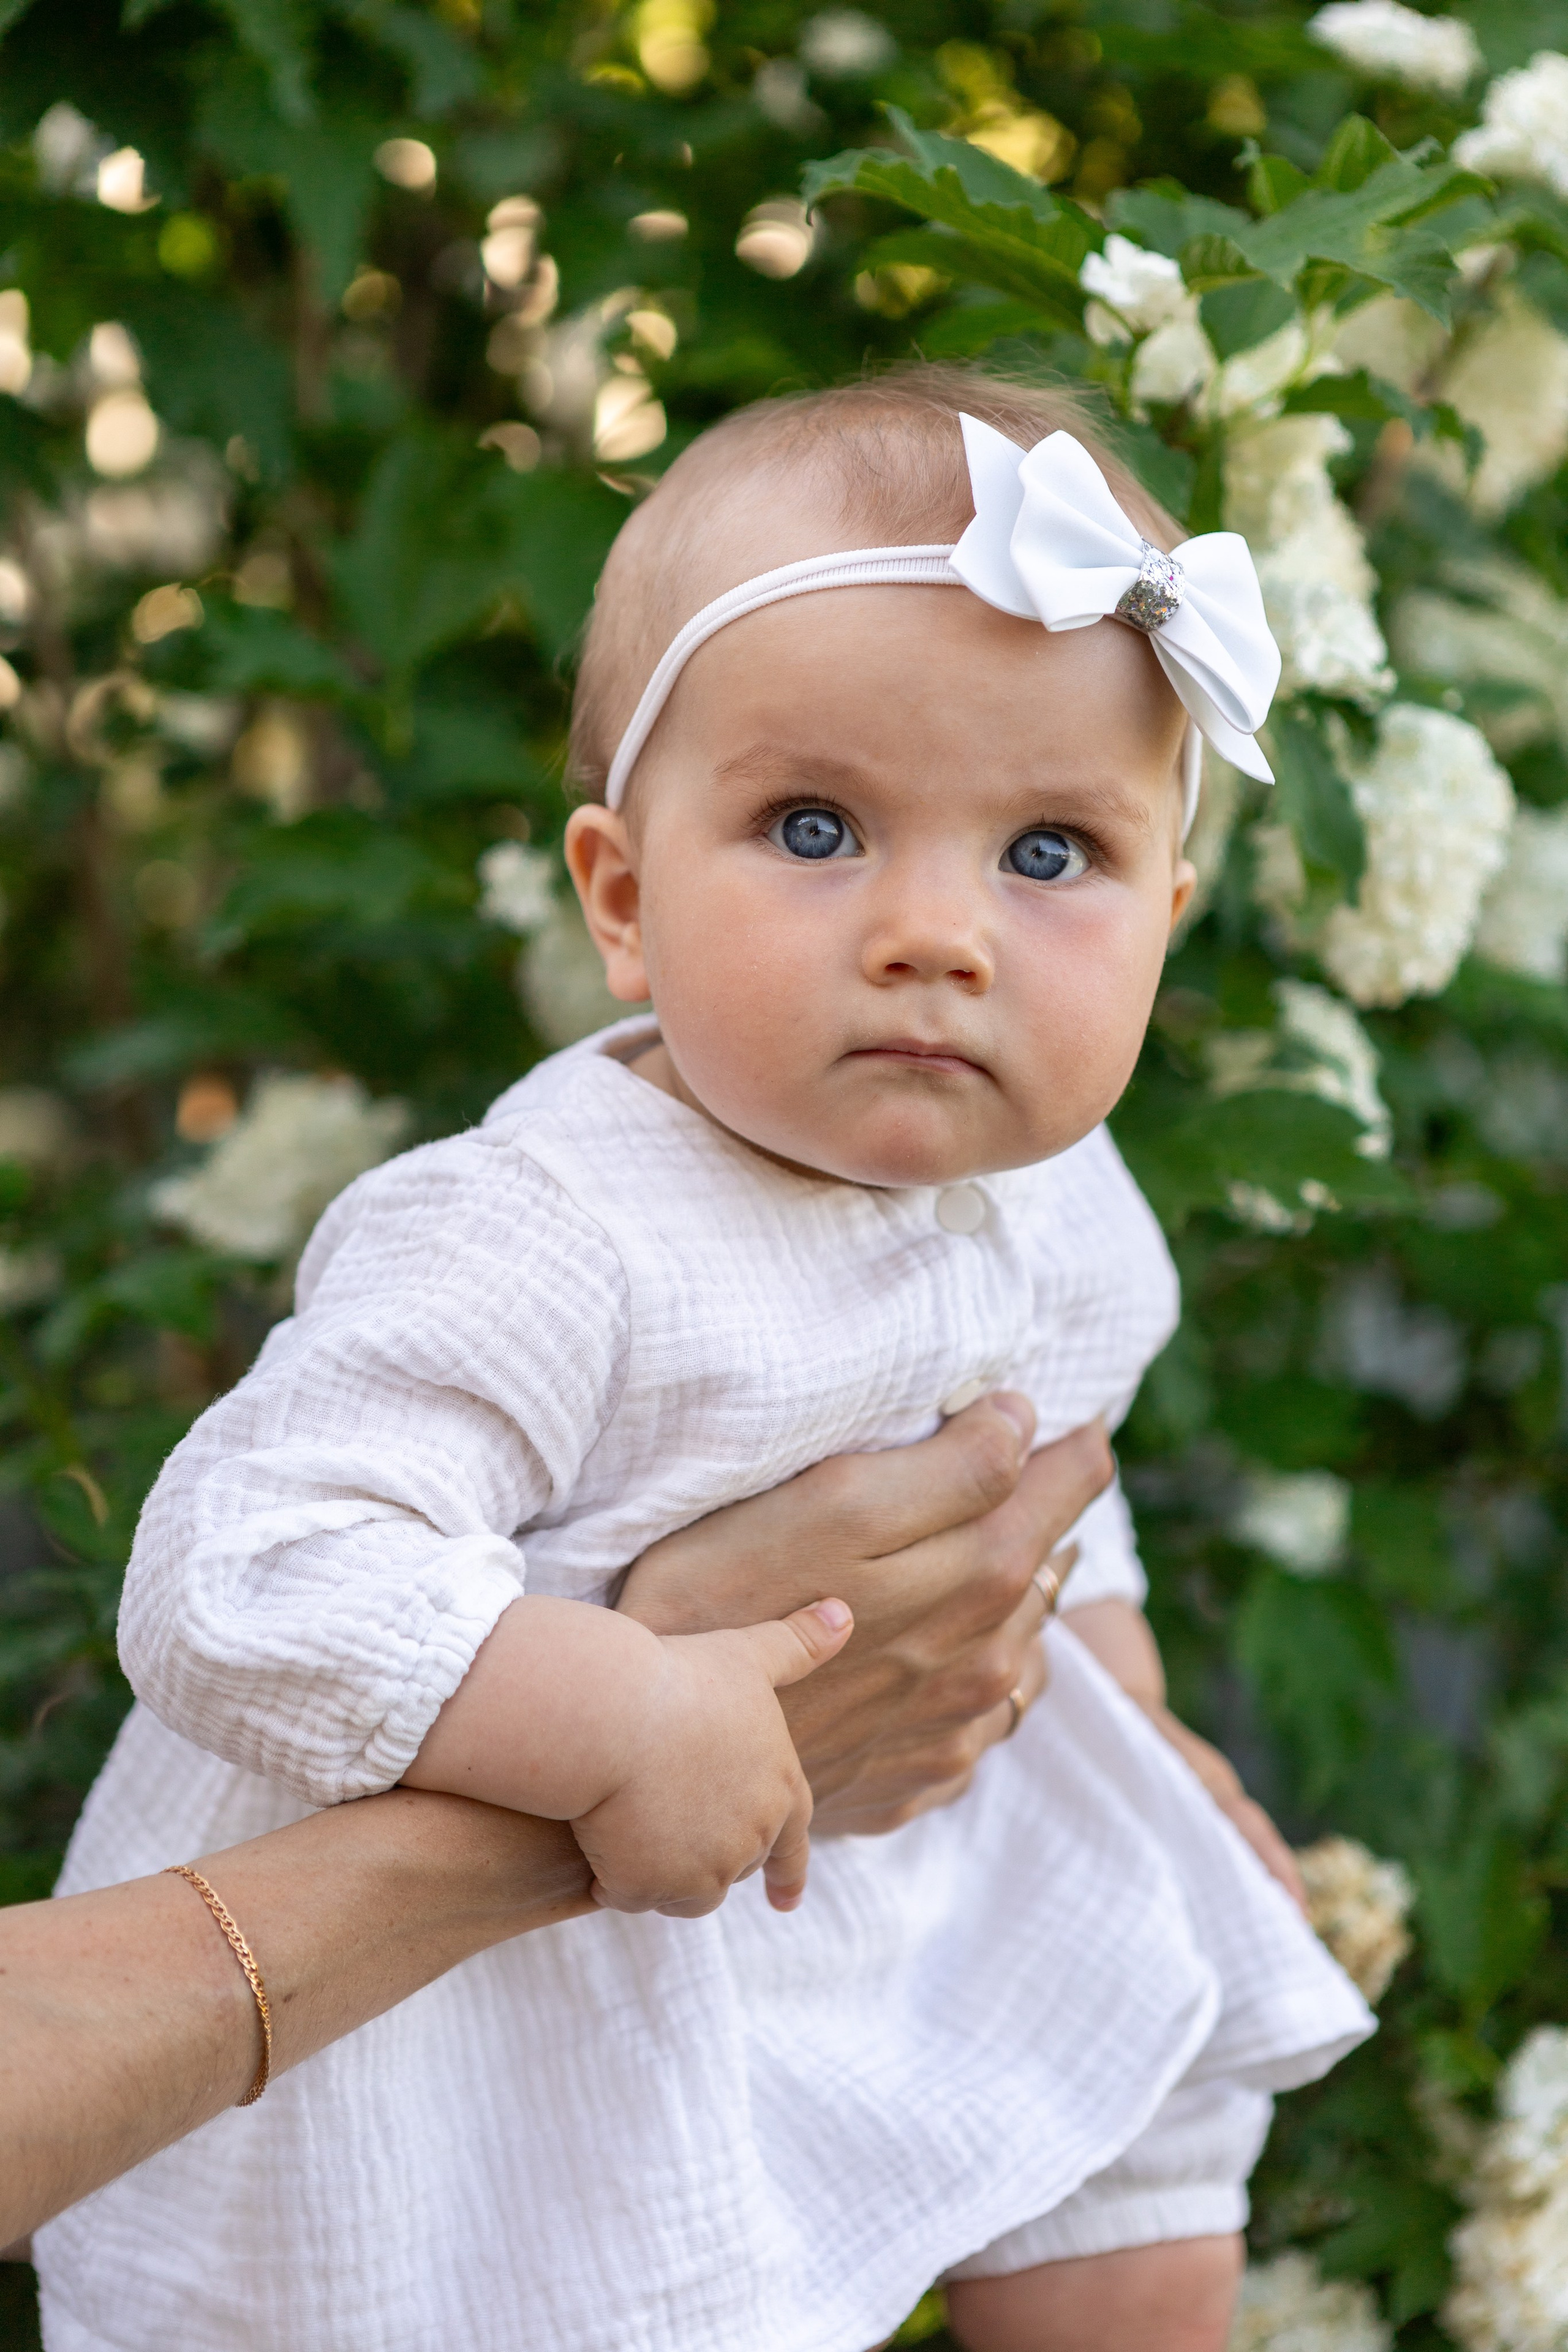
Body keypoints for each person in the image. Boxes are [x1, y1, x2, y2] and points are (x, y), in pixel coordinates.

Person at [35, 365, 1371, 2352]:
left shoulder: (1073, 1192)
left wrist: (1132, 1715)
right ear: (625, 901)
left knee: (1150, 2140)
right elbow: (240, 1574)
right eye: (817, 826)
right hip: (504, 2008)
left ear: (1170, 918)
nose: (939, 934)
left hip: (908, 1866)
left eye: (1050, 855)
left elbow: (1063, 1516)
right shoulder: (542, 1229)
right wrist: (613, 1718)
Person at [6, 1401, 1101, 2246]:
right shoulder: (546, 1219)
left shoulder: (1041, 1198)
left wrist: (1123, 1691)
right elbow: (239, 1586)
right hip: (435, 2070)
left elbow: (1075, 1440)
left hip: (866, 1974)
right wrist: (635, 1717)